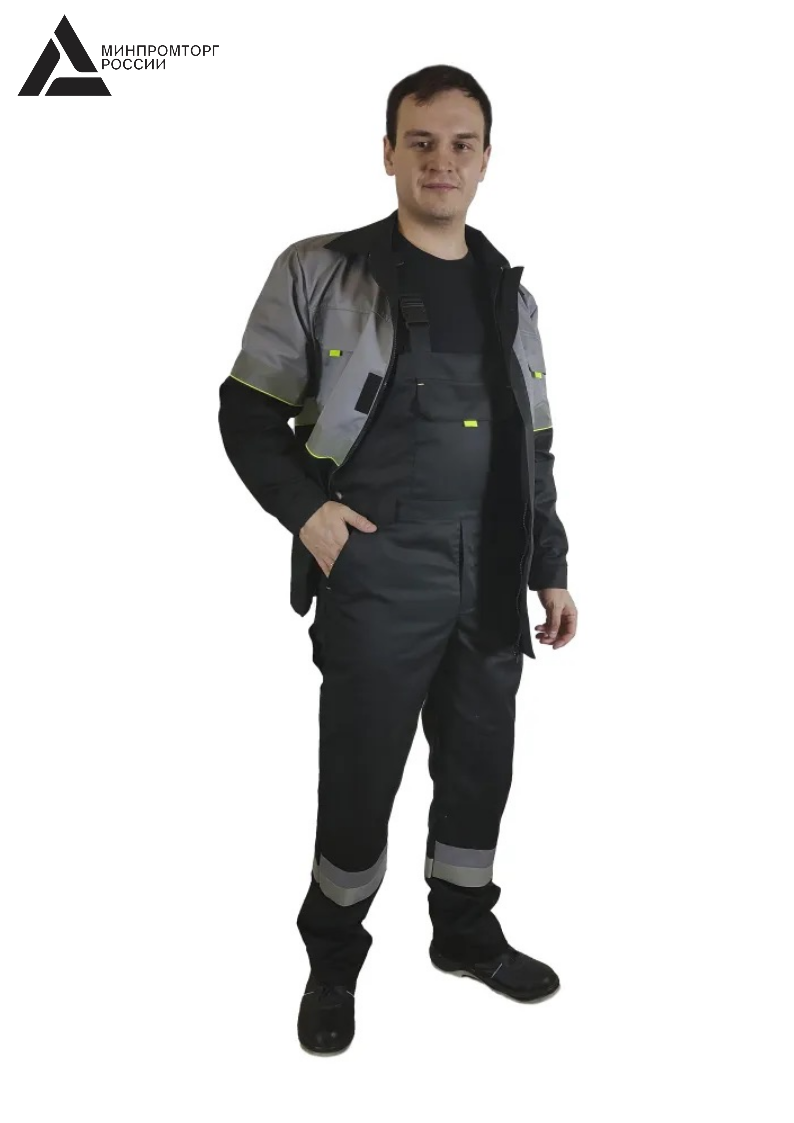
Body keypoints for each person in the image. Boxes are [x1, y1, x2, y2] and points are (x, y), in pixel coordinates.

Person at [218, 63, 577, 1055]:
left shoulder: (510, 295)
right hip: (378, 567)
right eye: (420, 141)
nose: (440, 161)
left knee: (480, 764)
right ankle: (333, 956)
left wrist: (547, 564)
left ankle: (462, 931)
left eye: (461, 144)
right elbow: (244, 411)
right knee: (360, 771)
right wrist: (309, 515)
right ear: (387, 153)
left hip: (490, 566)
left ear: (486, 159)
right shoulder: (322, 270)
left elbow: (533, 449)